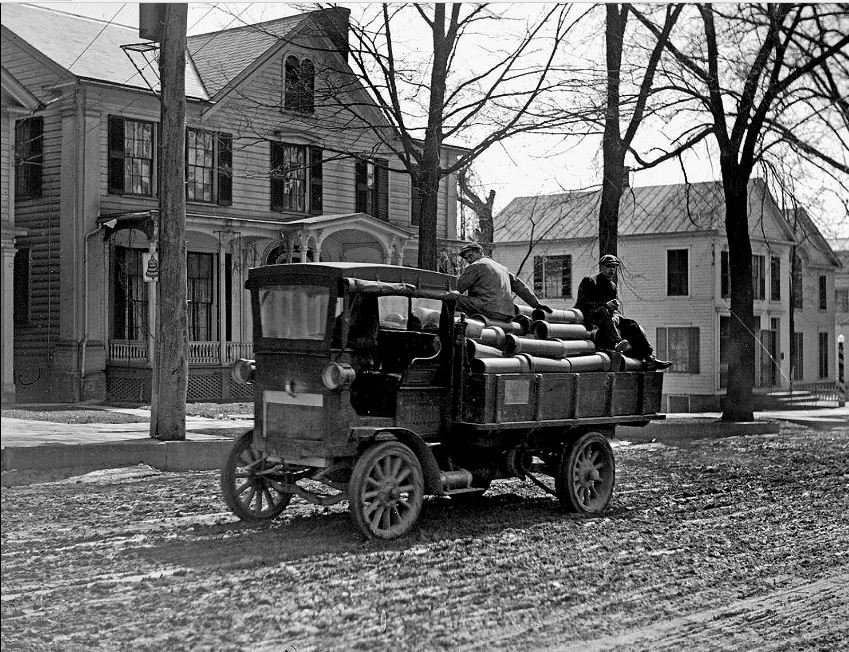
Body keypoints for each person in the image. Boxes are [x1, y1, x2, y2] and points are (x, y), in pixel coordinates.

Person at [575, 254, 671, 371]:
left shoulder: (612, 286)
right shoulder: (590, 281)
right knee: (603, 312)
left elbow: (614, 309)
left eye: (614, 267)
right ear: (601, 267)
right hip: (590, 318)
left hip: (607, 319)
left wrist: (616, 316)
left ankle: (649, 357)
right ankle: (617, 342)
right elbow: (583, 304)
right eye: (608, 266)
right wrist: (605, 306)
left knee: (630, 324)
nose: (611, 270)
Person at [446, 242, 552, 322]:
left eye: (470, 256)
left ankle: (447, 332)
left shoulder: (476, 266)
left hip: (486, 308)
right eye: (466, 258)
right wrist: (536, 304)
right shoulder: (502, 268)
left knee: (449, 298)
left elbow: (458, 288)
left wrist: (447, 292)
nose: (469, 260)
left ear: (480, 253)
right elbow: (519, 286)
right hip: (507, 313)